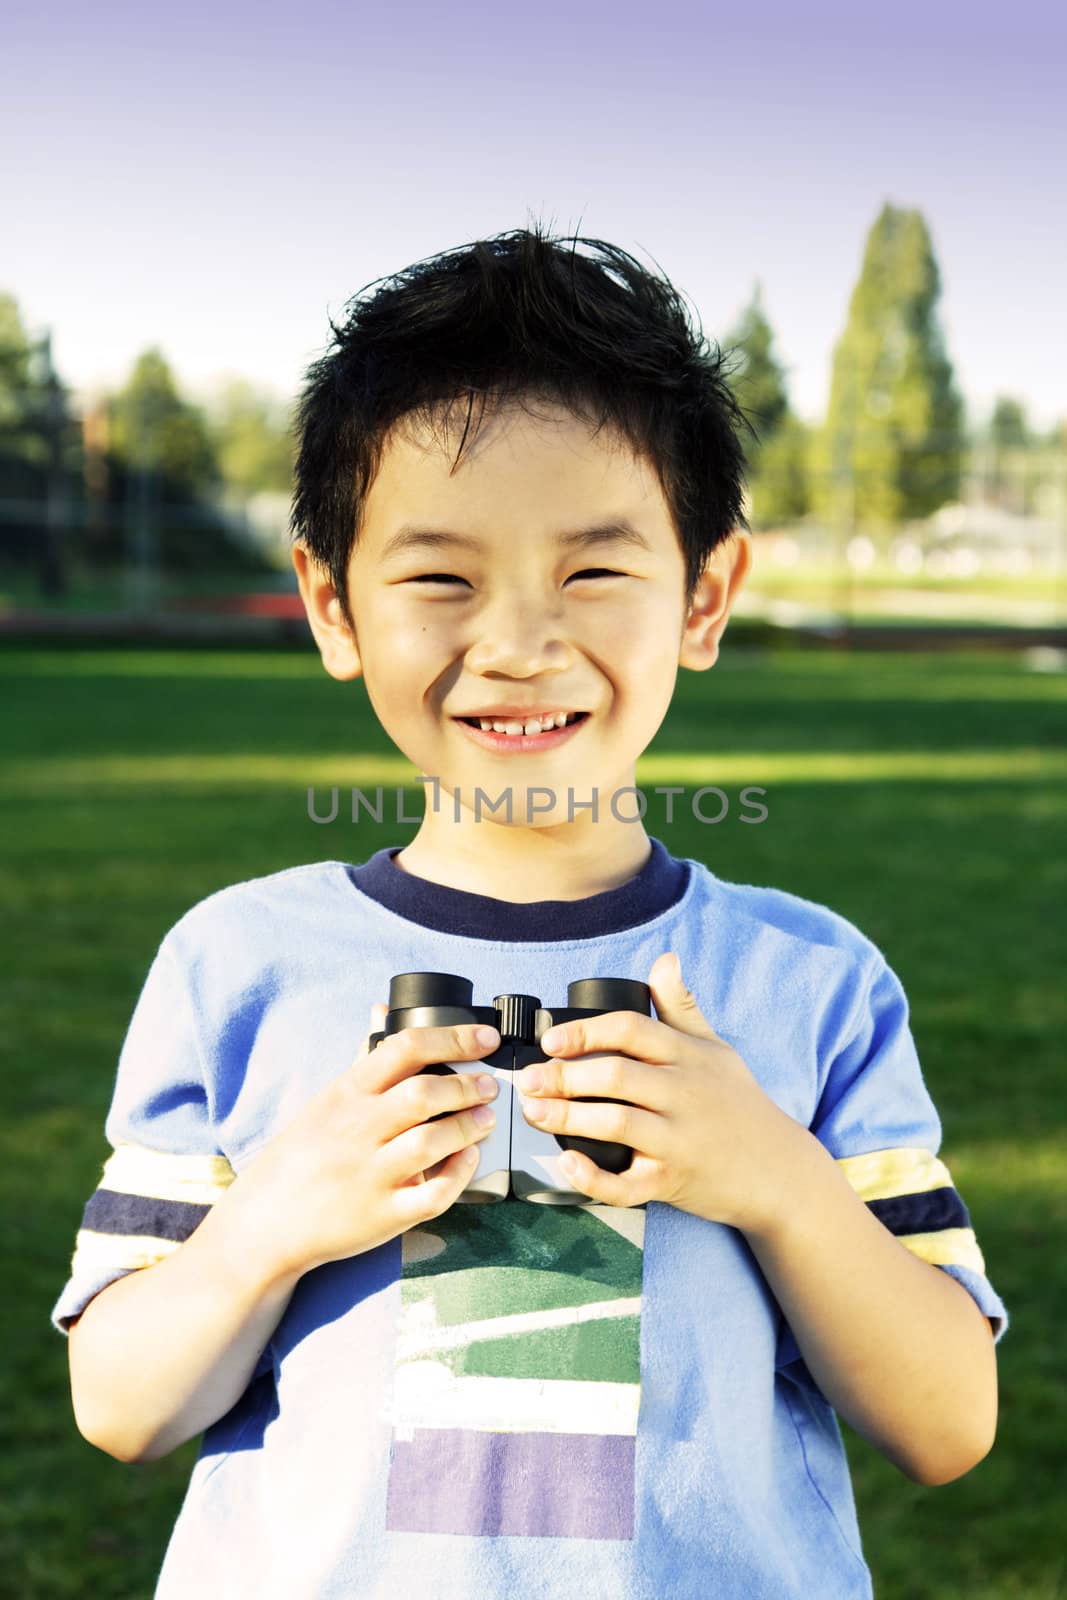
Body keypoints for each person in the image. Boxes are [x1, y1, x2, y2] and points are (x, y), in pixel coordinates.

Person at [51, 225, 1008, 1600]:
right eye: (439, 577)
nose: (515, 641)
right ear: (332, 606)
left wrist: (775, 1181)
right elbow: (123, 1407)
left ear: (707, 595)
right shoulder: (237, 965)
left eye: (595, 572)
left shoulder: (811, 980)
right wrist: (275, 1219)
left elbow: (949, 1421)